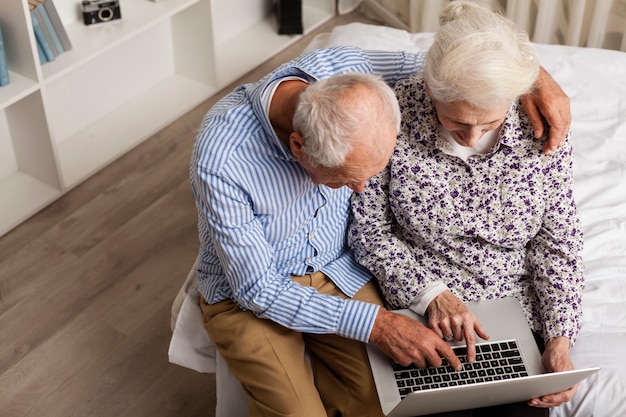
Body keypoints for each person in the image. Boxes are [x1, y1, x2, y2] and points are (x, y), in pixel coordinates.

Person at [190, 42, 572, 417]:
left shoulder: (345, 68)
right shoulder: (222, 158)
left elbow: (456, 64)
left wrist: (537, 79)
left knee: (398, 400)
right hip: (251, 295)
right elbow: (258, 289)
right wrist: (376, 324)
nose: (360, 192)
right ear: (297, 145)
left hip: (338, 270)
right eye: (343, 180)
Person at [348, 2, 584, 416]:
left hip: (513, 310)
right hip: (421, 314)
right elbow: (370, 233)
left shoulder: (544, 130)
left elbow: (557, 243)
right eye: (457, 122)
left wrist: (559, 341)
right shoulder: (390, 118)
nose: (473, 136)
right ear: (429, 90)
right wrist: (431, 295)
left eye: (489, 123)